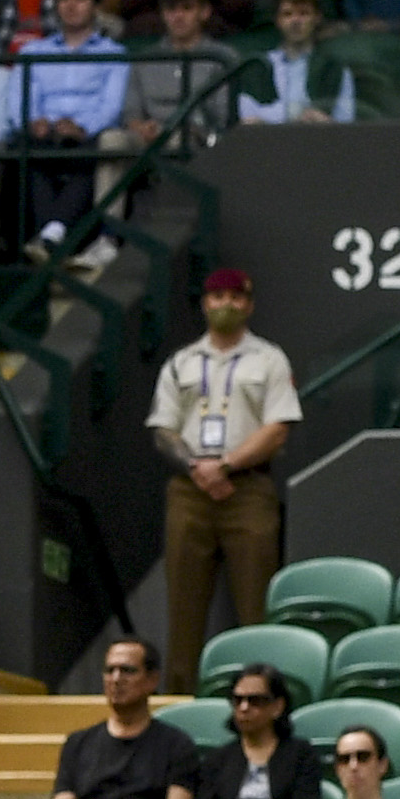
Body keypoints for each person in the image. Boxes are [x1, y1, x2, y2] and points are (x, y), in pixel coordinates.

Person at [149, 269, 301, 682]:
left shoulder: (269, 359)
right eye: (217, 296)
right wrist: (198, 468)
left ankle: (259, 698)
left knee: (256, 604)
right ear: (205, 303)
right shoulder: (181, 362)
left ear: (249, 305)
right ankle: (180, 702)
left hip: (248, 487)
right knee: (183, 608)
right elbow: (163, 429)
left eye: (236, 297)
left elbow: (278, 427)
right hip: (189, 488)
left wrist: (227, 465)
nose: (226, 304)